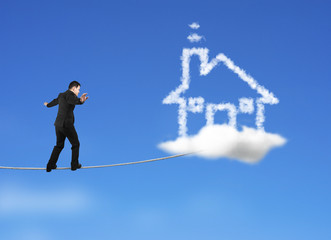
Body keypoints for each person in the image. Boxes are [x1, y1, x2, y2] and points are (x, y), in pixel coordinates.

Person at [44, 81, 89, 172]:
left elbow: (55, 101)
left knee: (59, 145)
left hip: (58, 125)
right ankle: (74, 165)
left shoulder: (61, 95)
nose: (79, 91)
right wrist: (80, 101)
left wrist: (48, 105)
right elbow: (72, 100)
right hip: (66, 125)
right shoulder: (70, 95)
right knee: (76, 144)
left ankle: (50, 165)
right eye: (78, 89)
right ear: (73, 88)